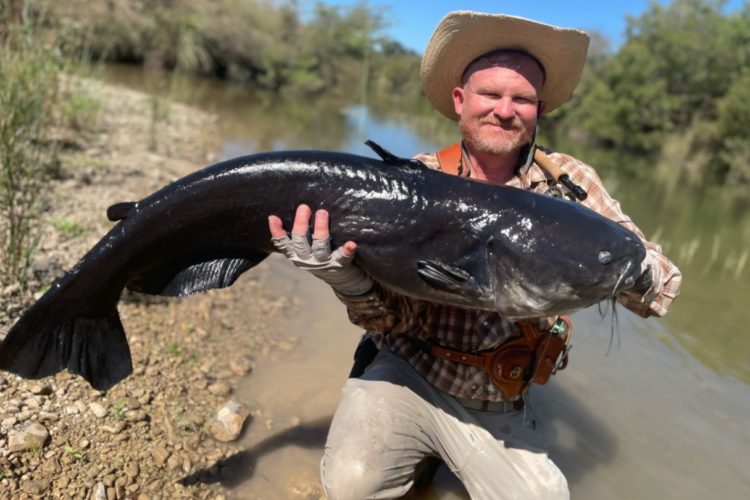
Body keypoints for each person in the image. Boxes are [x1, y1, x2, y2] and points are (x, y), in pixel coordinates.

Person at [268, 11, 681, 500]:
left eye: (522, 99)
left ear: (539, 109)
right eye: (491, 94)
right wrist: (343, 278)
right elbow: (386, 319)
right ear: (461, 101)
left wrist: (631, 268)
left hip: (498, 397)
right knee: (353, 483)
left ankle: (441, 456)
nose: (505, 110)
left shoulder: (569, 184)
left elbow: (663, 289)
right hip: (410, 373)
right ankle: (415, 454)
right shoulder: (415, 182)